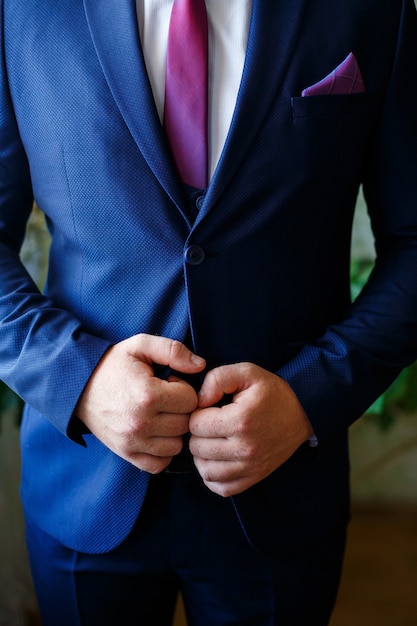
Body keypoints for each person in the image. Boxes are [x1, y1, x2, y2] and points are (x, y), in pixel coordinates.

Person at [1, 0, 417, 624]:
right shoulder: (21, 12)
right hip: (87, 481)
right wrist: (77, 378)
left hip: (282, 488)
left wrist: (310, 396)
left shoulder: (373, 10)